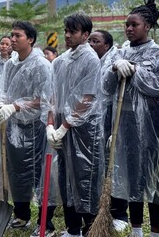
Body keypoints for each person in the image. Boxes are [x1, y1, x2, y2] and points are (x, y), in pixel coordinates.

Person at [102, 0, 159, 237]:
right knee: (131, 175)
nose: (129, 28)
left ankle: (155, 230)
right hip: (124, 123)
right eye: (127, 24)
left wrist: (136, 71)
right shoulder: (120, 52)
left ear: (148, 26)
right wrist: (115, 67)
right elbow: (106, 87)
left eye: (134, 24)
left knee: (152, 176)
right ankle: (136, 229)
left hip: (151, 122)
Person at [0, 21, 54, 235]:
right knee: (15, 172)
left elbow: (43, 100)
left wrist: (15, 106)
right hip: (13, 125)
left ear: (31, 39)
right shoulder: (11, 64)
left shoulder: (41, 65)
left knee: (38, 174)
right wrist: (0, 104)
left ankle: (45, 221)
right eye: (12, 35)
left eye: (18, 36)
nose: (13, 40)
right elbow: (3, 89)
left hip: (35, 127)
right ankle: (21, 214)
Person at [48, 13, 104, 237]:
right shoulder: (61, 60)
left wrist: (66, 126)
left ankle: (90, 228)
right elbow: (52, 95)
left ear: (85, 35)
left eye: (73, 32)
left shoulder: (90, 60)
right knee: (65, 176)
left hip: (84, 129)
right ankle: (72, 229)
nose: (67, 35)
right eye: (66, 31)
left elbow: (88, 98)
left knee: (84, 176)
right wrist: (51, 124)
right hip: (63, 125)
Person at [89, 30, 127, 231]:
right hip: (94, 123)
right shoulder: (90, 61)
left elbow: (115, 96)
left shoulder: (116, 60)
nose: (91, 44)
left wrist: (116, 130)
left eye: (96, 41)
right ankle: (99, 209)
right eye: (90, 40)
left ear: (107, 45)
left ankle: (120, 213)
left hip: (112, 121)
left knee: (115, 168)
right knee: (99, 168)